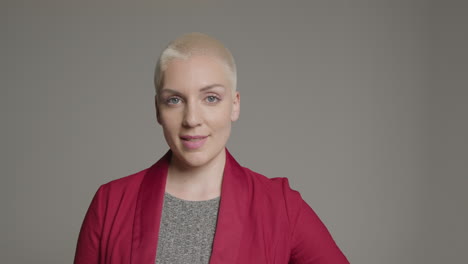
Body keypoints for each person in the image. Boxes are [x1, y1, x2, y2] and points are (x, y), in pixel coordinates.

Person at [74, 32, 349, 264]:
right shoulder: (109, 203)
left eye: (211, 98)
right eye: (175, 100)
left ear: (235, 104)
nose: (192, 119)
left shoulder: (281, 207)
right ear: (157, 109)